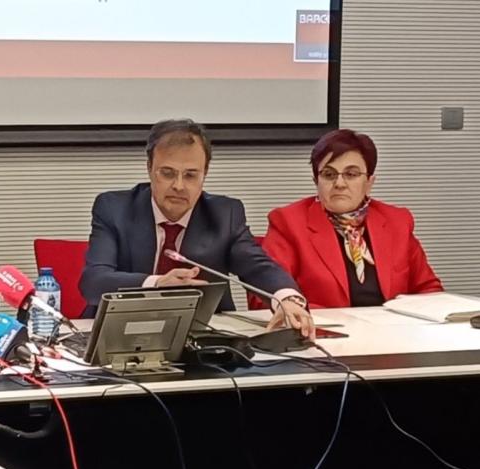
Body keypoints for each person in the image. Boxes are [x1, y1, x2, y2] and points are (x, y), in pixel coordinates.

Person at [79, 118, 314, 337]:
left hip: (203, 334)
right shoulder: (114, 209)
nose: (179, 186)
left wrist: (286, 297)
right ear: (150, 168)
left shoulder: (225, 214)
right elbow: (94, 281)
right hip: (119, 331)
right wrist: (157, 283)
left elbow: (257, 266)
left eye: (190, 175)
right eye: (167, 173)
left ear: (205, 174)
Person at [258, 128, 443, 309]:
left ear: (369, 182)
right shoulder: (288, 223)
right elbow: (265, 296)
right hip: (322, 328)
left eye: (351, 174)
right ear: (316, 181)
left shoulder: (397, 221)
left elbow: (428, 290)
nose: (339, 183)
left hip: (393, 327)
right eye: (329, 175)